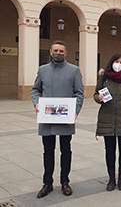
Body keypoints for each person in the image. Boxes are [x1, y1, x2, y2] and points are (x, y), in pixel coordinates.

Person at [31, 40, 84, 198]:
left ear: (66, 53)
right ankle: (47, 183)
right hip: (47, 119)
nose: (58, 53)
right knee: (48, 151)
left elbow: (79, 93)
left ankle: (65, 181)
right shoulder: (42, 70)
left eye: (61, 51)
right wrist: (36, 104)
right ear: (50, 51)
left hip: (65, 119)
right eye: (56, 50)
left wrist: (75, 111)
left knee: (65, 150)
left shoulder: (74, 70)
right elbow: (35, 90)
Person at [93, 54, 121, 191]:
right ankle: (111, 179)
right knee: (110, 150)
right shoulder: (104, 78)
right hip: (108, 118)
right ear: (111, 63)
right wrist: (98, 98)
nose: (118, 64)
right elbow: (95, 94)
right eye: (116, 62)